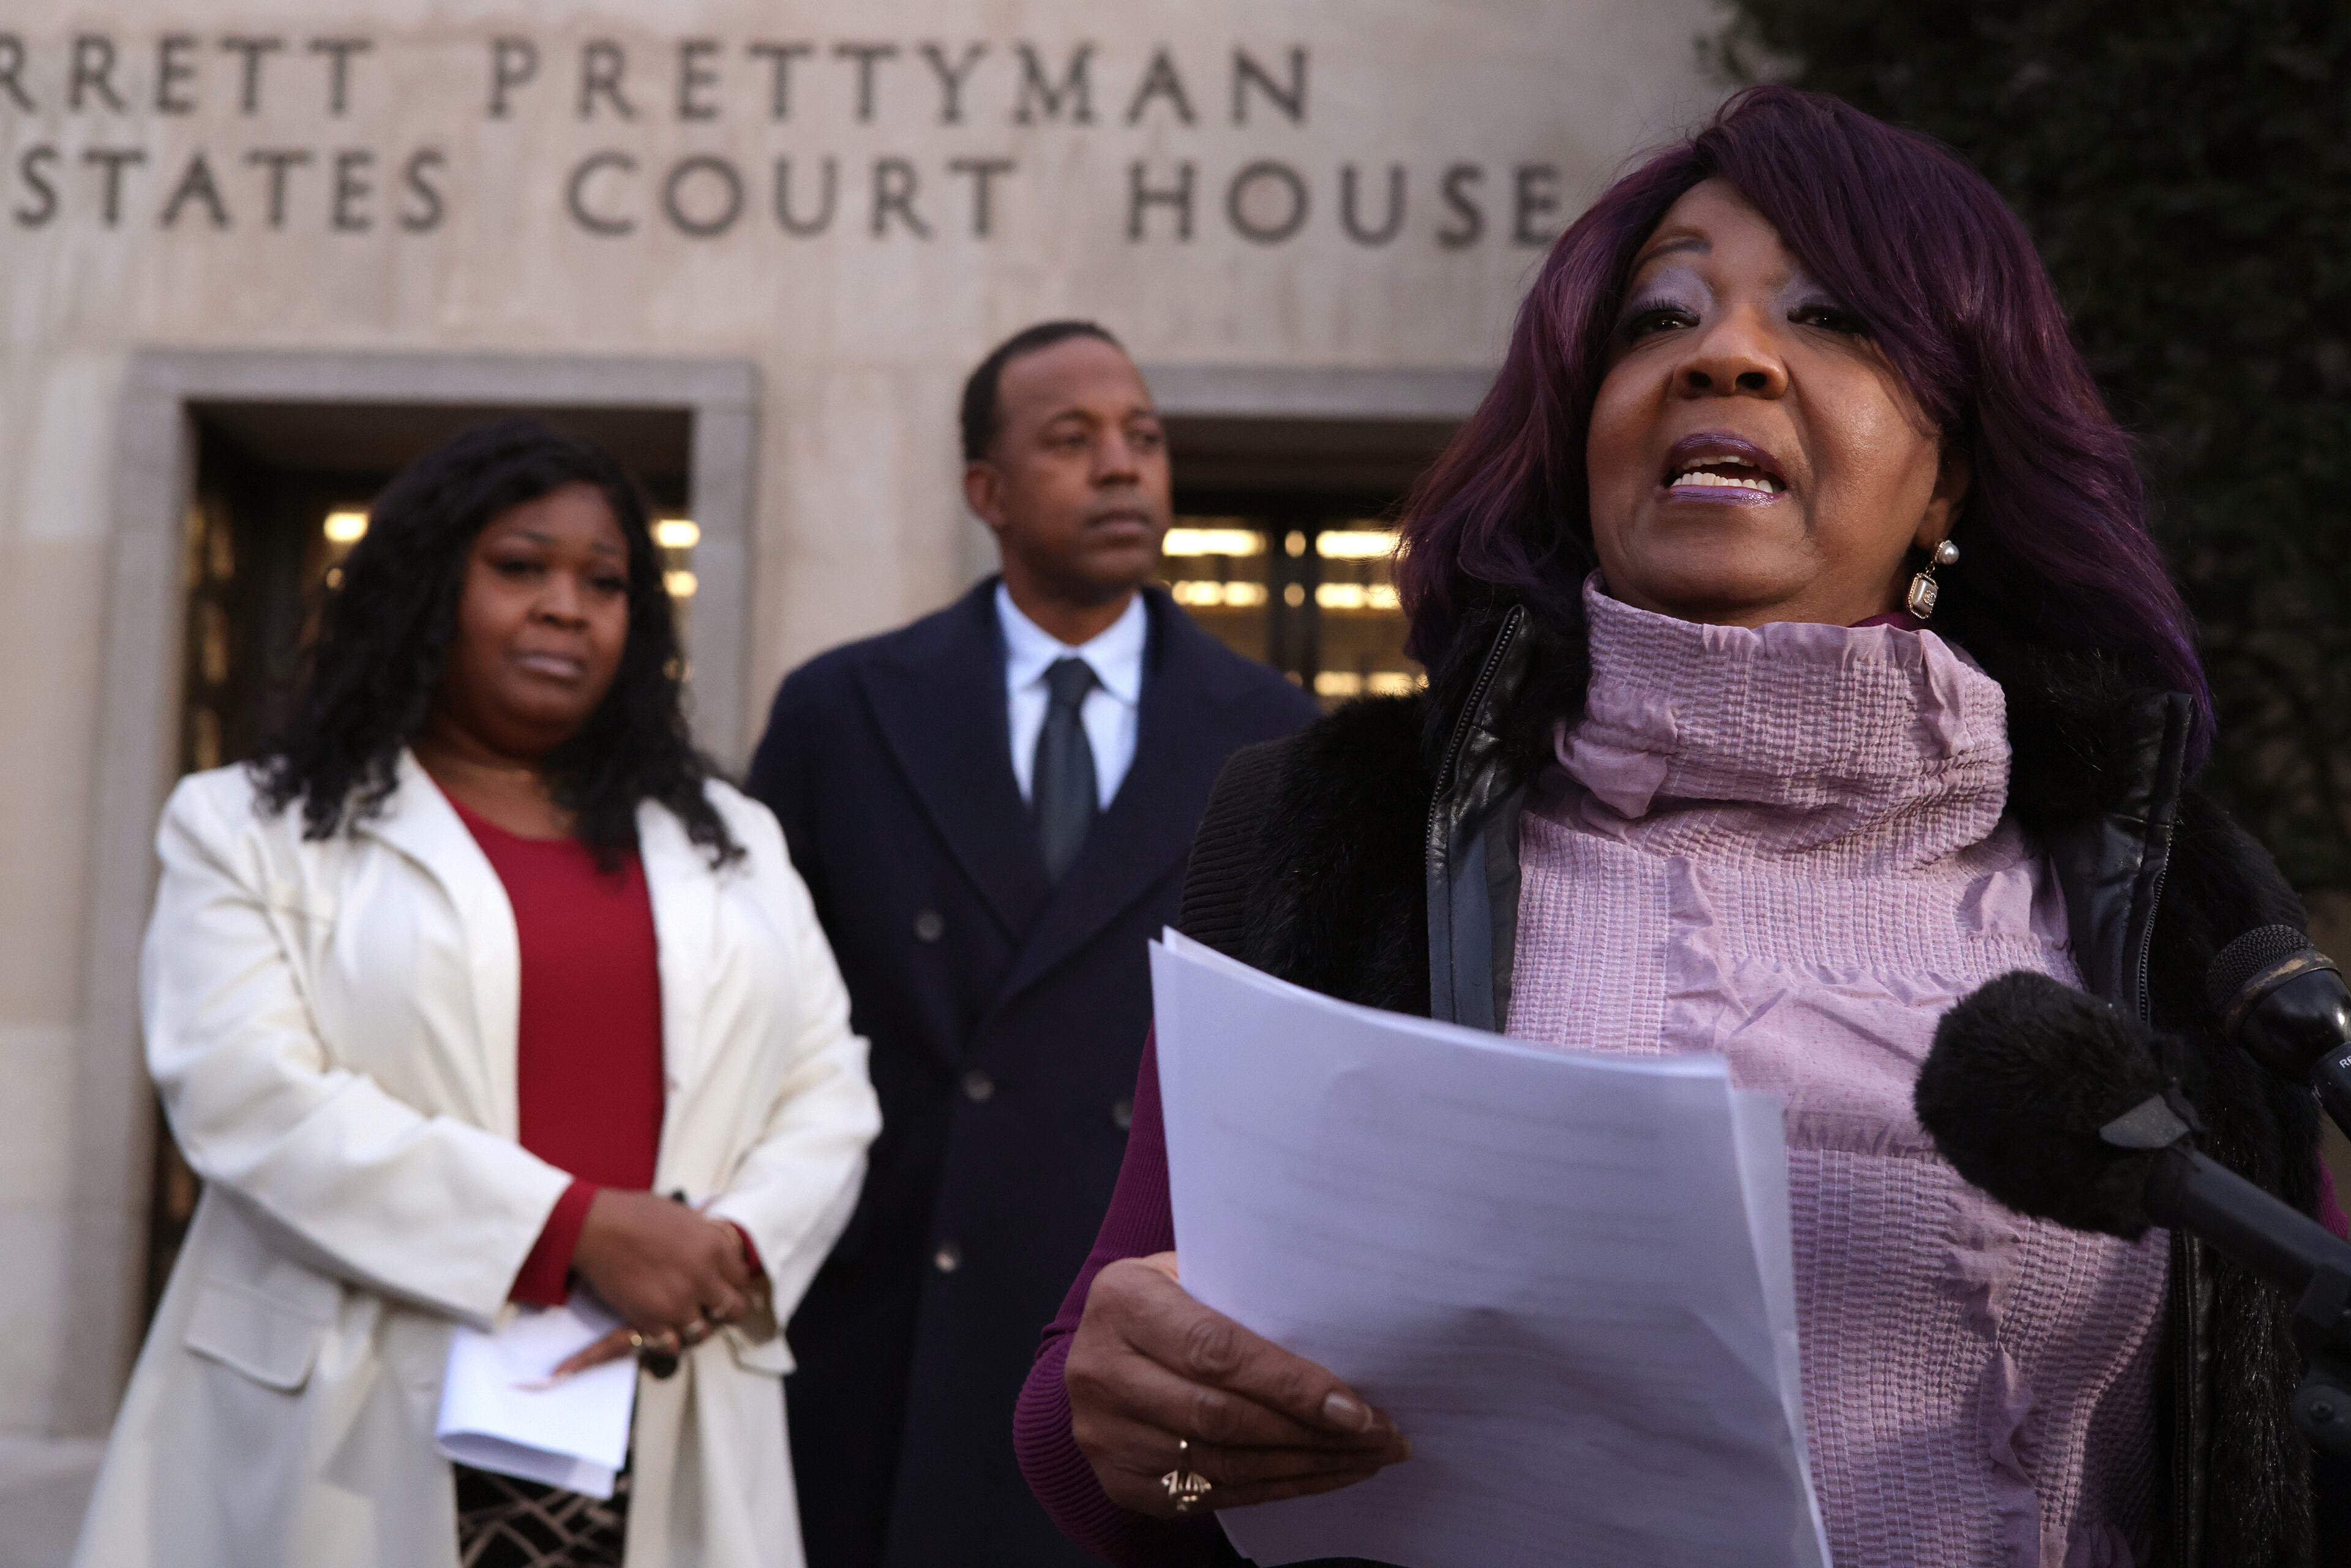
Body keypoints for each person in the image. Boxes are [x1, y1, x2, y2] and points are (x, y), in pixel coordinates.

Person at [1014, 88, 2350, 1567]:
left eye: (1833, 317)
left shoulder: (2177, 897)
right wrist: (1146, 1434)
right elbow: (1098, 1433)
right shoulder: (1337, 836)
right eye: (1658, 319)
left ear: (1951, 477)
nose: (1725, 354)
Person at [73, 418, 881, 1568]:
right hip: (354, 1422)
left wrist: (732, 1248)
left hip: (656, 1397)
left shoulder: (729, 838)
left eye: (604, 582)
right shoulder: (248, 825)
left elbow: (828, 1085)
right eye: (520, 567)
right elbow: (245, 1094)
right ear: (425, 589)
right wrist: (573, 1229)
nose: (567, 608)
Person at [745, 321, 1320, 1567]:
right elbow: (753, 1023)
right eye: (1072, 440)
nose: (1122, 466)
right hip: (886, 1341)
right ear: (987, 491)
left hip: (1135, 1348)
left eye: (1144, 437)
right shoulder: (842, 711)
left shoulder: (1278, 734)